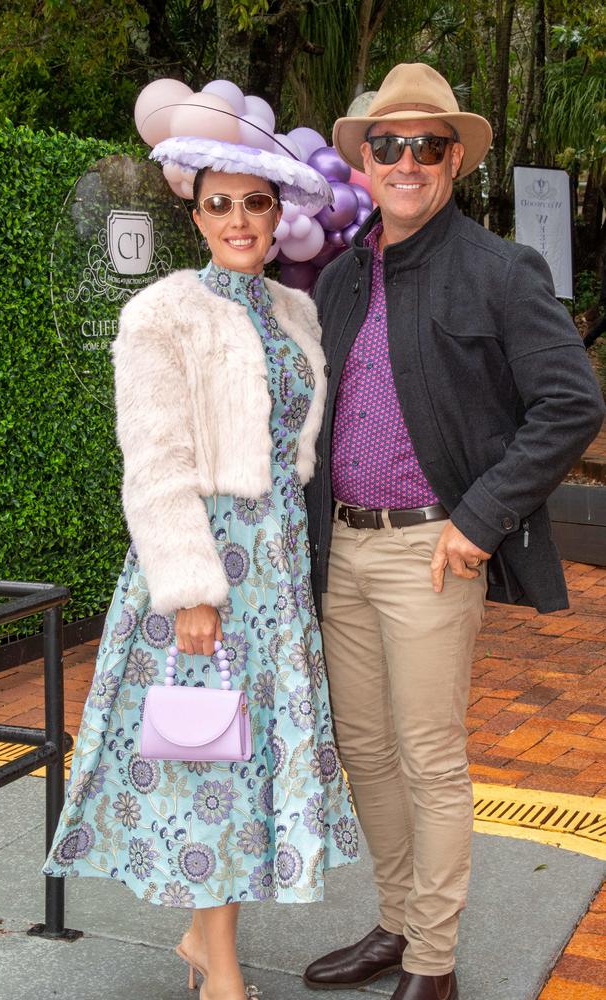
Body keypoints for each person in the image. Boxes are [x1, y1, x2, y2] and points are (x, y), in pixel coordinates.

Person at [303, 63, 604, 1000]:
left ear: (455, 161)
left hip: (433, 550)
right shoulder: (343, 278)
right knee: (365, 748)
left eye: (427, 145)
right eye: (387, 145)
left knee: (429, 755)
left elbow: (570, 403)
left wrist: (479, 520)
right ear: (365, 163)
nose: (405, 160)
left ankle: (433, 964)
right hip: (342, 547)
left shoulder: (500, 269)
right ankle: (398, 922)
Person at [43, 134, 359, 1000]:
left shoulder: (295, 313)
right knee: (209, 763)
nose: (239, 220)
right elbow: (152, 460)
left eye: (255, 203)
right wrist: (189, 588)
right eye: (219, 204)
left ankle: (200, 938)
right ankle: (220, 972)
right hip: (206, 570)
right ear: (195, 216)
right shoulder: (162, 312)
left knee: (248, 759)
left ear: (277, 213)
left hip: (276, 570)